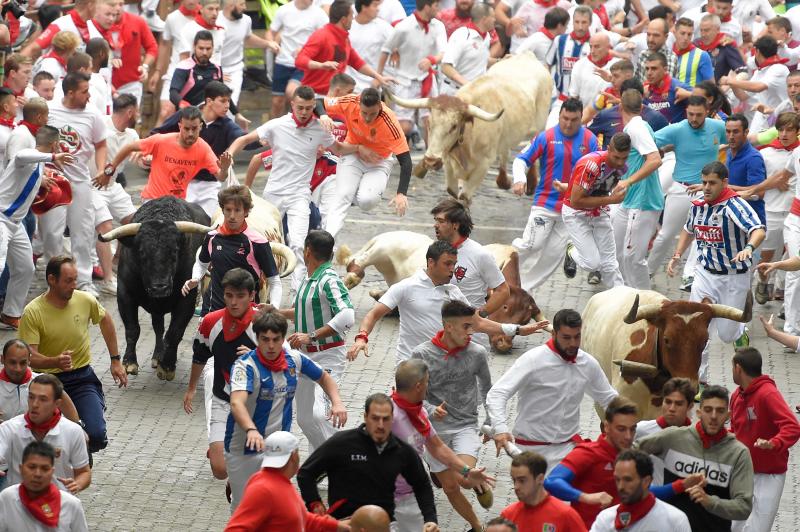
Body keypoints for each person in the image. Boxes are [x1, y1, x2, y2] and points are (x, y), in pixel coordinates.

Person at [224, 86, 356, 292]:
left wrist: (362, 147)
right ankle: (256, 288)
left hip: (300, 196)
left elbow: (339, 148)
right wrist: (230, 153)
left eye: (308, 108)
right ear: (292, 105)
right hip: (273, 194)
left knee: (298, 243)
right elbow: (244, 139)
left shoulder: (320, 128)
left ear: (314, 107)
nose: (304, 112)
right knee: (260, 241)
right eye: (300, 107)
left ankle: (297, 294)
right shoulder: (277, 125)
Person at [348, 240, 548, 364]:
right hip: (410, 367)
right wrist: (362, 337)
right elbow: (373, 314)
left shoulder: (454, 292)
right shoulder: (405, 287)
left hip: (444, 367)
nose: (452, 269)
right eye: (447, 264)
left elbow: (477, 323)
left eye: (454, 263)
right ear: (431, 263)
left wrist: (518, 330)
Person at [224, 311, 347, 510]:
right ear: (257, 338)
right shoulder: (244, 366)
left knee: (277, 503)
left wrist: (337, 402)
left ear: (283, 339)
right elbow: (237, 403)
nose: (271, 346)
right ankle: (238, 482)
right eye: (265, 340)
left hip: (277, 447)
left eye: (276, 339)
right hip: (243, 446)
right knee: (245, 507)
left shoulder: (294, 359)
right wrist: (251, 430)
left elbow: (323, 377)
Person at [18, 255, 127, 454]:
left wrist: (115, 360)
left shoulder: (85, 300)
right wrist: (54, 361)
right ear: (52, 280)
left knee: (97, 435)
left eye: (75, 279)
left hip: (82, 378)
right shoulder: (33, 312)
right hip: (48, 381)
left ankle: (82, 448)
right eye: (68, 281)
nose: (74, 285)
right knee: (52, 439)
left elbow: (106, 320)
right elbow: (28, 357)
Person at [486, 309, 618, 473]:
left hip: (568, 450)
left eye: (577, 337)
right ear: (554, 334)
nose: (573, 343)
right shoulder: (533, 359)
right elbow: (498, 393)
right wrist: (500, 428)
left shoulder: (588, 363)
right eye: (566, 337)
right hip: (531, 452)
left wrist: (634, 425)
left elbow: (609, 399)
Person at [667, 162, 764, 382]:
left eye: (712, 183)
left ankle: (740, 333)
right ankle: (699, 382)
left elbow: (758, 230)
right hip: (704, 275)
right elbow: (687, 230)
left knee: (726, 334)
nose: (707, 187)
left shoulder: (735, 206)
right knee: (697, 330)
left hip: (733, 277)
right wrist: (677, 255)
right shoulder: (698, 206)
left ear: (725, 182)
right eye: (704, 182)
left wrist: (748, 248)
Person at [297, 393, 439, 528]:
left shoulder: (402, 451)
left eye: (386, 419)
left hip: (383, 525)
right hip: (344, 523)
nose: (381, 425)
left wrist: (430, 519)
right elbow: (306, 473)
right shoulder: (342, 443)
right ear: (365, 417)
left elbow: (422, 484)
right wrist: (315, 503)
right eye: (375, 418)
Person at [411, 300, 493, 530]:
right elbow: (411, 394)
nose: (471, 332)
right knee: (450, 488)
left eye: (472, 326)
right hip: (433, 433)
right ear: (448, 327)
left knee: (462, 478)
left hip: (465, 426)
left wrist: (489, 422)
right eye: (466, 326)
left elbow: (487, 388)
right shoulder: (421, 353)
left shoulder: (477, 353)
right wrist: (429, 409)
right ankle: (478, 527)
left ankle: (475, 482)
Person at [385, 359, 495, 531]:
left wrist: (466, 470)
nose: (429, 387)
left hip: (410, 495)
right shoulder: (388, 415)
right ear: (419, 385)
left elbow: (437, 447)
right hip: (383, 497)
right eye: (428, 382)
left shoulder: (418, 412)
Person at [269, 230, 354, 452]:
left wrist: (311, 335)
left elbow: (347, 316)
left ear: (307, 251)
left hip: (328, 355)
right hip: (304, 356)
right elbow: (303, 310)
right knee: (305, 418)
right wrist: (275, 311)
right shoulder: (310, 278)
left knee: (322, 413)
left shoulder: (329, 279)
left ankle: (339, 463)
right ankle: (324, 464)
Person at [636, 385, 754, 531]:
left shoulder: (738, 453)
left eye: (720, 411)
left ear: (728, 416)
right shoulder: (673, 437)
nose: (713, 416)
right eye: (708, 410)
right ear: (699, 412)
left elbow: (744, 507)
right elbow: (628, 453)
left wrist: (710, 502)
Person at [512, 98, 599, 293]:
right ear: (559, 116)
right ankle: (499, 271)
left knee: (552, 256)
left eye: (574, 120)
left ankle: (522, 292)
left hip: (573, 210)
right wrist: (520, 179)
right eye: (565, 118)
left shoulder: (590, 140)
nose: (568, 124)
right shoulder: (546, 137)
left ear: (581, 119)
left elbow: (599, 170)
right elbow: (521, 159)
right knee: (531, 244)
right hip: (545, 203)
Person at [183, 268, 259, 482]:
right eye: (229, 295)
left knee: (258, 468)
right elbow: (199, 356)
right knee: (219, 470)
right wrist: (190, 389)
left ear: (252, 296)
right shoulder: (210, 322)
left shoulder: (264, 323)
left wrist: (258, 357)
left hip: (258, 403)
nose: (234, 302)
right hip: (223, 399)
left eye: (240, 296)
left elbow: (283, 362)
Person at [40, 72, 107, 296]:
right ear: (70, 92)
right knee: (51, 233)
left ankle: (84, 281)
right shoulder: (50, 110)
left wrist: (100, 169)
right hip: (54, 182)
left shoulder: (93, 115)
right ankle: (54, 280)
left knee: (83, 232)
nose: (89, 95)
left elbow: (101, 143)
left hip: (80, 182)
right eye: (84, 91)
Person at [647, 96, 727, 282]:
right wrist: (660, 151)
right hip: (681, 189)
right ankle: (648, 272)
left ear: (707, 112)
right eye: (690, 114)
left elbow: (738, 137)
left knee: (703, 235)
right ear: (686, 113)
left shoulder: (717, 127)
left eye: (698, 115)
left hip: (708, 190)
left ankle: (690, 275)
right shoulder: (677, 129)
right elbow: (650, 141)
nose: (694, 118)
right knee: (666, 235)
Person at [0, 126, 73, 329]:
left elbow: (30, 173)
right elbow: (21, 156)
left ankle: (10, 315)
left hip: (15, 223)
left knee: (25, 267)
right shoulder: (28, 155)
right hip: (1, 218)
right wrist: (51, 156)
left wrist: (42, 180)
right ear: (55, 144)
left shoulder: (38, 164)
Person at [317, 88, 414, 235]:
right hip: (352, 153)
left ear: (380, 107)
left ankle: (352, 190)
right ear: (359, 104)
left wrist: (401, 193)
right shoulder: (350, 101)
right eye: (364, 113)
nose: (368, 118)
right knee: (342, 197)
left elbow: (406, 161)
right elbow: (318, 102)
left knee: (366, 201)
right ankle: (327, 243)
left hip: (379, 161)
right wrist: (323, 116)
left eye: (373, 114)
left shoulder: (391, 123)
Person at [153, 82, 251, 217]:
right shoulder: (187, 115)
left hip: (210, 184)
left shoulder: (227, 124)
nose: (227, 106)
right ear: (209, 101)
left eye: (228, 101)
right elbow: (158, 132)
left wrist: (264, 138)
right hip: (182, 182)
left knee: (209, 223)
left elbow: (244, 139)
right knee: (178, 221)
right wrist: (144, 154)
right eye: (223, 101)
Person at [729, 347, 800, 532]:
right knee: (734, 526)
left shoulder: (767, 394)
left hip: (770, 475)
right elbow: (735, 429)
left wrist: (774, 443)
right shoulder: (736, 396)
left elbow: (792, 427)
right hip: (744, 472)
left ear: (738, 368)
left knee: (758, 528)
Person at [182, 185, 281, 314]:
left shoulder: (258, 242)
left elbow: (274, 281)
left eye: (237, 210)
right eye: (228, 210)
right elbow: (201, 263)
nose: (232, 216)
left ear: (246, 212)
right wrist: (195, 278)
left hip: (246, 315)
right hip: (212, 311)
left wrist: (274, 307)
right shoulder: (212, 237)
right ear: (222, 210)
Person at [100, 106, 232, 202]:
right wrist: (109, 170)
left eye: (194, 129)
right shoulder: (161, 140)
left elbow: (220, 177)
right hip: (152, 200)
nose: (190, 133)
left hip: (178, 203)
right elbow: (129, 147)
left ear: (200, 127)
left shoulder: (203, 148)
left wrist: (225, 168)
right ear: (180, 126)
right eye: (186, 129)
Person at [544, 397, 640, 527]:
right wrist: (586, 497)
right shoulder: (588, 453)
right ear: (606, 426)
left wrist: (677, 486)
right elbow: (551, 481)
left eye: (632, 429)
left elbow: (646, 490)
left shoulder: (633, 456)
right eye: (621, 429)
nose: (628, 436)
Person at [224, 431, 345, 531]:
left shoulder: (279, 482)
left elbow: (298, 517)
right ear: (294, 456)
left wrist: (338, 526)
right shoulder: (263, 488)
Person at [430, 198, 508, 346]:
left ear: (455, 225)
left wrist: (480, 314)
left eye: (440, 221)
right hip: (439, 333)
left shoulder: (479, 254)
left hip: (471, 339)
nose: (435, 225)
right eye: (435, 220)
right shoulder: (435, 251)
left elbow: (503, 291)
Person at [561, 132, 631, 288]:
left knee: (610, 263)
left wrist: (616, 193)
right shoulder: (591, 165)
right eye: (616, 157)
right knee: (592, 264)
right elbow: (576, 201)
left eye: (624, 158)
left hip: (599, 211)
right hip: (575, 213)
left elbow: (600, 189)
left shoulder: (623, 167)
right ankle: (571, 250)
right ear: (608, 149)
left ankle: (620, 300)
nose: (620, 163)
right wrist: (612, 200)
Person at [0, 374, 90, 493]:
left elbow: (84, 472)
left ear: (57, 403)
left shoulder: (73, 431)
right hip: (18, 506)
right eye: (31, 397)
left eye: (43, 399)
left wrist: (77, 484)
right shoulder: (9, 428)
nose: (35, 404)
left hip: (59, 504)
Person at [610, 89, 663, 290]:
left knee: (634, 258)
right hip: (628, 201)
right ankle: (624, 296)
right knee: (617, 254)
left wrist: (628, 181)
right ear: (642, 107)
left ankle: (645, 302)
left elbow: (655, 159)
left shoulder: (636, 128)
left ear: (620, 107)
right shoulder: (639, 125)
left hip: (644, 202)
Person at [377, 0, 447, 142]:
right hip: (404, 81)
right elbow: (386, 50)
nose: (438, 9)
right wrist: (378, 76)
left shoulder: (438, 26)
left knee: (431, 122)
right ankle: (394, 156)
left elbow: (444, 52)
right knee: (404, 127)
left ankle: (431, 159)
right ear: (426, 6)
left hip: (427, 79)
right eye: (435, 5)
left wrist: (432, 60)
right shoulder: (404, 26)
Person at [91, 94, 139, 296]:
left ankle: (117, 260)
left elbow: (139, 158)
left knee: (133, 221)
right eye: (136, 111)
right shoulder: (100, 125)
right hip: (91, 185)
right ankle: (108, 279)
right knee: (106, 226)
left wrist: (147, 160)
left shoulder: (133, 135)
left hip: (113, 186)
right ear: (130, 112)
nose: (137, 115)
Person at [748, 112, 798, 305]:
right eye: (781, 129)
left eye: (790, 130)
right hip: (772, 211)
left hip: (795, 213)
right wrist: (773, 183)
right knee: (767, 254)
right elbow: (758, 182)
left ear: (797, 132)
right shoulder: (765, 153)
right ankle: (763, 280)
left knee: (792, 255)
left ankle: (785, 292)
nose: (785, 134)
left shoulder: (799, 152)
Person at [295, 0, 389, 98]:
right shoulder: (321, 35)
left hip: (333, 98)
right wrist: (321, 65)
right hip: (314, 97)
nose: (353, 19)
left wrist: (378, 77)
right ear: (344, 19)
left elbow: (357, 62)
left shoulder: (344, 38)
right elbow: (300, 60)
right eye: (351, 16)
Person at [589, 450, 691, 532]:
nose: (620, 487)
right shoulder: (605, 519)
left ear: (646, 481)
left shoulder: (675, 520)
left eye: (628, 480)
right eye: (617, 479)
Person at [0, 441, 88, 532]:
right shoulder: (7, 498)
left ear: (52, 471)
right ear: (21, 469)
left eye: (45, 469)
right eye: (32, 467)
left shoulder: (71, 504)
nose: (38, 474)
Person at [266, 0, 328, 118]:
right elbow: (271, 32)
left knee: (292, 92)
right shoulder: (284, 10)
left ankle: (295, 126)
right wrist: (271, 42)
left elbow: (327, 38)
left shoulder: (319, 14)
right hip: (283, 62)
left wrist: (307, 49)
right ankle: (270, 133)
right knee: (277, 102)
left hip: (304, 64)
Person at [499, 451, 586, 531]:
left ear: (540, 479)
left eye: (522, 480)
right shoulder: (508, 516)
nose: (516, 486)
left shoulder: (565, 515)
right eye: (514, 480)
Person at [216, 0, 279, 106]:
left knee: (230, 105)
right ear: (231, 5)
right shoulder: (215, 20)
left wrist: (268, 43)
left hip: (234, 69)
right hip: (216, 69)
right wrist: (216, 71)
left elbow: (248, 37)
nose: (245, 7)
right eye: (241, 4)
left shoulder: (246, 20)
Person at [95, 0, 157, 105]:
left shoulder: (137, 21)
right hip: (104, 81)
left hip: (131, 82)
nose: (117, 8)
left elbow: (152, 47)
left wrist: (145, 67)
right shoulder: (95, 25)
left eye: (121, 4)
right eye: (114, 5)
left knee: (129, 118)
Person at [722, 36, 789, 133]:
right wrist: (733, 83)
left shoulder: (778, 68)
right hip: (762, 116)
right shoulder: (760, 70)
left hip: (782, 116)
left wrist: (730, 81)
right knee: (752, 143)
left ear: (757, 51)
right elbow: (743, 96)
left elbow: (758, 87)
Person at [148, 0, 200, 125]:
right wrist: (157, 72)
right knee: (165, 112)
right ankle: (152, 143)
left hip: (199, 74)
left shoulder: (206, 16)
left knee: (196, 117)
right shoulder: (172, 18)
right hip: (176, 72)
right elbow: (165, 44)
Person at [634, 378, 694, 484]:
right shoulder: (640, 430)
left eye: (678, 404)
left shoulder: (696, 437)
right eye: (668, 402)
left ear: (690, 406)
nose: (671, 408)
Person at [439, 2, 497, 96]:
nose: (495, 20)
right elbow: (446, 67)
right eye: (493, 17)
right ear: (484, 19)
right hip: (454, 93)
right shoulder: (462, 35)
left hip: (473, 93)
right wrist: (467, 84)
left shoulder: (486, 36)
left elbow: (480, 59)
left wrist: (500, 61)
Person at [721, 114, 767, 227]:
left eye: (735, 132)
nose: (731, 136)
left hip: (751, 222)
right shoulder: (729, 152)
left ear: (746, 132)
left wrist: (727, 187)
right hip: (732, 218)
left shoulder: (753, 158)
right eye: (728, 131)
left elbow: (759, 192)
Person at [22, 0, 101, 59]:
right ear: (90, 5)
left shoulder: (92, 26)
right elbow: (32, 49)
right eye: (98, 5)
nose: (99, 9)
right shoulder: (61, 25)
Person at [547, 6, 592, 103]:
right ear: (572, 22)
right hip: (560, 98)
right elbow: (547, 64)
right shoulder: (559, 40)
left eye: (584, 22)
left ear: (590, 23)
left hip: (583, 102)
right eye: (577, 22)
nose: (580, 27)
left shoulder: (594, 45)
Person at [348, 0, 394, 93]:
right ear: (364, 7)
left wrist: (378, 78)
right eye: (375, 6)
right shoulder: (348, 26)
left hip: (373, 85)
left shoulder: (384, 27)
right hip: (350, 86)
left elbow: (396, 47)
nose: (378, 9)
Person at [568, 33, 618, 110]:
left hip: (609, 116)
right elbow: (573, 96)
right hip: (583, 114)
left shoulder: (618, 66)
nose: (592, 51)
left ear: (608, 47)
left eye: (597, 47)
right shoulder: (579, 65)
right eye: (591, 47)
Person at [694, 14, 745, 81]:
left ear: (717, 29)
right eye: (701, 30)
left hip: (718, 89)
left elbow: (743, 72)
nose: (703, 34)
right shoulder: (695, 45)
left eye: (706, 30)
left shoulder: (726, 46)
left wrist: (728, 83)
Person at [672, 18, 713, 87]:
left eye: (689, 34)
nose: (686, 38)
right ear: (675, 32)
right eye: (682, 33)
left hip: (692, 97)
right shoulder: (667, 52)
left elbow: (711, 87)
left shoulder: (702, 55)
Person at [635, 18, 677, 82]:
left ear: (666, 37)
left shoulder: (670, 58)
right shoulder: (642, 55)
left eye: (656, 35)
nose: (650, 39)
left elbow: (665, 86)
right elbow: (637, 82)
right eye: (648, 34)